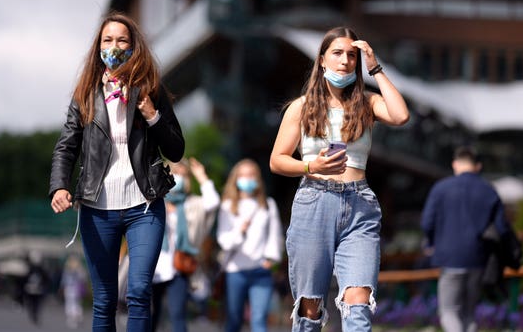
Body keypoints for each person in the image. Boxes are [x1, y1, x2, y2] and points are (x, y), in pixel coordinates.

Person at [49, 11, 185, 331]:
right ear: (98, 47)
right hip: (98, 209)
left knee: (138, 292)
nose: (114, 46)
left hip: (145, 206)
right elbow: (66, 146)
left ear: (133, 46)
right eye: (107, 40)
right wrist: (59, 186)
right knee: (105, 299)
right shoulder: (85, 95)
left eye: (122, 40)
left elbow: (176, 149)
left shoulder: (151, 89)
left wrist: (153, 116)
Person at [269, 27, 409, 332]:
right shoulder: (302, 107)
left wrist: (375, 67)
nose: (345, 60)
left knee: (358, 300)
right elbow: (277, 160)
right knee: (309, 307)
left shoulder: (367, 103)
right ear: (322, 60)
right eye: (337, 53)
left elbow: (400, 116)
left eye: (352, 55)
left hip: (360, 205)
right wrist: (312, 166)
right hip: (314, 201)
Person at [421, 146, 511, 332]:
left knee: (449, 311)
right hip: (478, 258)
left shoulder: (441, 188)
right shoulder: (488, 190)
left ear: (455, 164)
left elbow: (427, 222)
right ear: (477, 166)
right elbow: (502, 228)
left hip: (449, 258)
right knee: (469, 313)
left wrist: (430, 243)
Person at [151, 157, 220, 332]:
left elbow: (213, 202)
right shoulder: (154, 200)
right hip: (153, 265)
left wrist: (201, 176)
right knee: (149, 315)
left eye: (183, 175)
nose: (179, 178)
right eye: (175, 173)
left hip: (179, 267)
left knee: (178, 316)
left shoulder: (193, 204)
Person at [217, 158, 284, 332]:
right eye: (243, 175)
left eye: (251, 175)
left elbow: (275, 236)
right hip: (235, 271)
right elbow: (224, 241)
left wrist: (271, 259)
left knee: (259, 319)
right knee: (234, 319)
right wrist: (240, 231)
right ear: (236, 178)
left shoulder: (267, 205)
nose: (247, 179)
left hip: (261, 270)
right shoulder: (227, 206)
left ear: (257, 179)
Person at [22, 250, 51, 325]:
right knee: (32, 304)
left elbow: (46, 279)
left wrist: (44, 287)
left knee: (36, 305)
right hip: (30, 290)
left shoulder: (40, 269)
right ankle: (33, 315)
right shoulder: (30, 269)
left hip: (38, 290)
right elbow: (24, 279)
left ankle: (35, 315)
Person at [60, 254, 89, 329]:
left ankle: (73, 318)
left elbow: (64, 280)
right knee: (75, 303)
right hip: (74, 288)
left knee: (71, 304)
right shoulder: (76, 269)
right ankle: (77, 316)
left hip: (72, 288)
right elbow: (83, 279)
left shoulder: (73, 270)